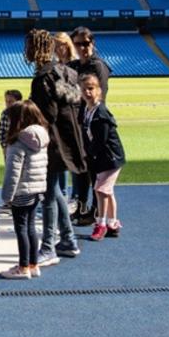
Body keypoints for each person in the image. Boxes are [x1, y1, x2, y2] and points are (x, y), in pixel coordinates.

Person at [25, 28, 86, 266]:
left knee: (48, 194)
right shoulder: (64, 71)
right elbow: (72, 101)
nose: (26, 51)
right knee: (56, 190)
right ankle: (69, 240)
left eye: (29, 46)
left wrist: (26, 111)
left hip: (52, 142)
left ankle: (48, 247)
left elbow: (46, 116)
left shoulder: (43, 78)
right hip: (67, 140)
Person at [0, 100, 50, 280]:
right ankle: (33, 264)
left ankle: (23, 267)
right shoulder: (41, 137)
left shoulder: (17, 142)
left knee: (21, 227)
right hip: (37, 189)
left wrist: (7, 196)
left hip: (22, 190)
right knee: (31, 227)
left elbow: (13, 173)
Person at [68, 26, 112, 224]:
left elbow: (97, 97)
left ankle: (96, 211)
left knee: (95, 169)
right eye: (79, 44)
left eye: (86, 43)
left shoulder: (98, 66)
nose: (83, 47)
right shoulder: (75, 65)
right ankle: (81, 205)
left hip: (92, 123)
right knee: (80, 168)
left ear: (92, 43)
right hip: (78, 123)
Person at [79, 68, 126, 242]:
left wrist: (90, 153)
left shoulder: (101, 112)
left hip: (110, 158)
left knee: (101, 190)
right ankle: (113, 222)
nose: (87, 92)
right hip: (102, 157)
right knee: (108, 191)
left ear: (99, 90)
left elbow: (101, 139)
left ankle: (101, 224)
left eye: (91, 88)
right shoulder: (87, 110)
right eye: (84, 89)